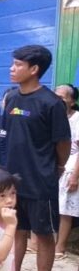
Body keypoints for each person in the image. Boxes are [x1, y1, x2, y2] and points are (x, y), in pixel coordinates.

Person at [2, 45, 71, 271]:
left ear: (34, 70)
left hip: (40, 179)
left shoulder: (51, 103)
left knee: (42, 234)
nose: (12, 68)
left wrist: (58, 167)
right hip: (12, 182)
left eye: (18, 65)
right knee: (16, 229)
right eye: (13, 63)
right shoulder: (12, 99)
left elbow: (62, 143)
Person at [55, 84, 79, 260]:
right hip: (53, 166)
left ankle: (60, 246)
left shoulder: (77, 119)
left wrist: (75, 176)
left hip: (71, 167)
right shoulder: (52, 115)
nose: (58, 100)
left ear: (72, 101)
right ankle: (35, 243)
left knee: (65, 209)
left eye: (62, 98)